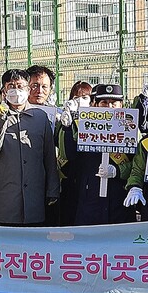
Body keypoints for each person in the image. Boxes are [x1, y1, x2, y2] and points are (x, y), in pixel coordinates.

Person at [0, 69, 59, 226]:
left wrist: (53, 189)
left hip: (34, 199)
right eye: (11, 86)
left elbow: (49, 156)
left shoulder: (40, 117)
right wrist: (1, 118)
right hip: (3, 201)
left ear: (28, 89)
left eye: (20, 86)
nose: (16, 90)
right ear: (4, 91)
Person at [60, 84, 134, 226]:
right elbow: (69, 155)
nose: (109, 107)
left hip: (119, 195)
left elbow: (137, 165)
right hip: (90, 196)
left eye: (113, 103)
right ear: (95, 105)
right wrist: (67, 129)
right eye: (104, 102)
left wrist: (118, 171)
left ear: (121, 105)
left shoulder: (131, 129)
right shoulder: (83, 126)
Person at [55, 81, 93, 226]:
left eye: (85, 97)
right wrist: (66, 126)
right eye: (76, 97)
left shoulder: (97, 121)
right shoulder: (66, 119)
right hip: (69, 175)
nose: (80, 101)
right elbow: (65, 151)